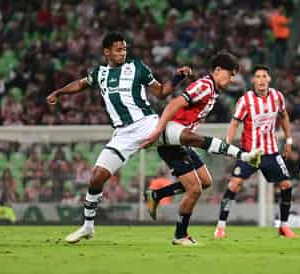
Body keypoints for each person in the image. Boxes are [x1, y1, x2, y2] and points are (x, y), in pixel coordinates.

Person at [46, 32, 192, 243]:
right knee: (97, 176)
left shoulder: (137, 67)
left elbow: (161, 92)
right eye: (118, 49)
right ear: (107, 52)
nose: (123, 53)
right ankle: (87, 227)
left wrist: (178, 78)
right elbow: (79, 84)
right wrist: (59, 93)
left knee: (186, 136)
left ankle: (235, 153)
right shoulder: (100, 73)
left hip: (148, 124)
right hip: (122, 134)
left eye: (125, 49)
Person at [141, 51, 262, 245]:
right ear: (217, 70)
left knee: (206, 182)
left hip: (184, 140)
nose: (232, 79)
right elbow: (174, 103)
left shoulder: (213, 90)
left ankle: (156, 195)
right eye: (230, 74)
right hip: (172, 140)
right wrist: (159, 130)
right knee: (194, 189)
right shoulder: (205, 86)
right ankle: (180, 235)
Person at [213, 65, 298, 239]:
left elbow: (284, 117)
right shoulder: (245, 100)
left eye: (264, 76)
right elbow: (235, 122)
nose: (261, 80)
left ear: (269, 79)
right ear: (253, 80)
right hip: (249, 154)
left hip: (270, 152)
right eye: (257, 76)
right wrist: (228, 144)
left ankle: (284, 226)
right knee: (234, 184)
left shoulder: (277, 97)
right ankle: (221, 227)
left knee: (286, 186)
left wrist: (289, 141)